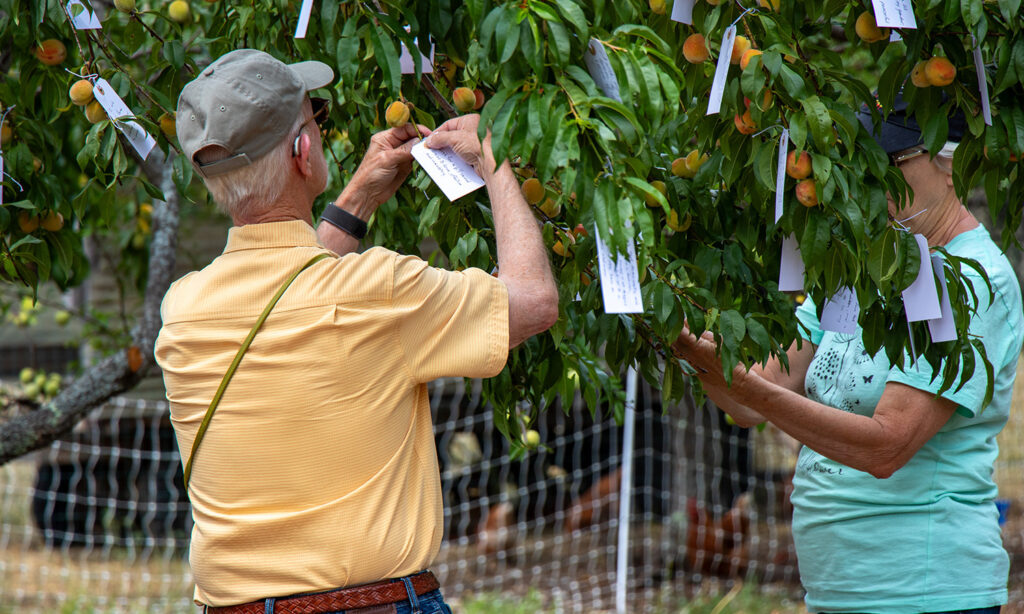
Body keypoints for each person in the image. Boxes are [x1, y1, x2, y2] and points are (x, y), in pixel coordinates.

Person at [154, 49, 558, 613]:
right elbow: (534, 300)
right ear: (303, 151)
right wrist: (494, 159)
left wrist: (359, 198)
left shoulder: (185, 308)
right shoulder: (378, 291)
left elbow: (292, 295)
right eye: (314, 118)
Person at [673, 93, 1022, 614]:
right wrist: (674, 335)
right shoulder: (860, 267)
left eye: (893, 161)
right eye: (862, 164)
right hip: (835, 591)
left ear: (949, 164)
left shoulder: (971, 280)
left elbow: (886, 446)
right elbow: (752, 396)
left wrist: (750, 391)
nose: (873, 180)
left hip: (923, 592)